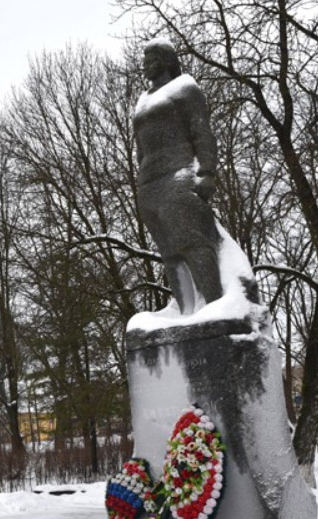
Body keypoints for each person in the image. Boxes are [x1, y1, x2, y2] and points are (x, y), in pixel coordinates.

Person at [133, 38, 223, 315]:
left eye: (152, 60)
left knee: (189, 240)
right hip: (149, 181)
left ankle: (215, 307)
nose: (146, 66)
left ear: (167, 61)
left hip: (180, 171)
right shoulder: (143, 100)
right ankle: (186, 313)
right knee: (169, 253)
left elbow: (201, 131)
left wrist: (207, 170)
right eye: (144, 61)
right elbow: (139, 145)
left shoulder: (185, 87)